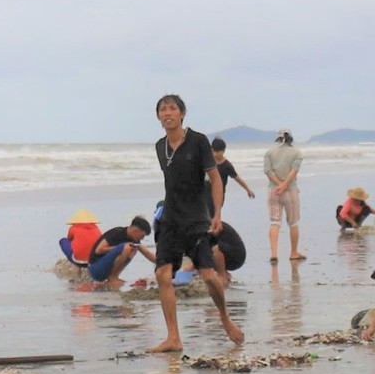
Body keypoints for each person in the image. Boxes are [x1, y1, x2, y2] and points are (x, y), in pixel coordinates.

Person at [146, 94, 242, 351]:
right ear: (158, 117)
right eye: (163, 110)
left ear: (182, 114)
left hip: (197, 221)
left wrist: (217, 214)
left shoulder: (198, 141)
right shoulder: (159, 146)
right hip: (170, 221)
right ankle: (173, 338)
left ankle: (224, 317)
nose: (168, 113)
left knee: (209, 276)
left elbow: (215, 179)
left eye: (172, 109)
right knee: (162, 274)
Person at [263, 128, 305, 263]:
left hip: (273, 191)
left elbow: (268, 171)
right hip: (290, 190)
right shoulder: (296, 152)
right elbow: (294, 170)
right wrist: (285, 185)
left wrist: (278, 185)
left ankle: (274, 253)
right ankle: (293, 252)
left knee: (275, 222)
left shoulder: (269, 152)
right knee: (293, 223)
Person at [86, 215, 155, 287]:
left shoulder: (134, 241)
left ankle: (114, 277)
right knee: (128, 247)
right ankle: (113, 278)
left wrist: (163, 262)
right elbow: (99, 250)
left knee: (133, 248)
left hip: (106, 271)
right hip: (95, 268)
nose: (142, 239)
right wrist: (120, 248)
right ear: (135, 231)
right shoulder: (117, 232)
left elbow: (147, 253)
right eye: (142, 236)